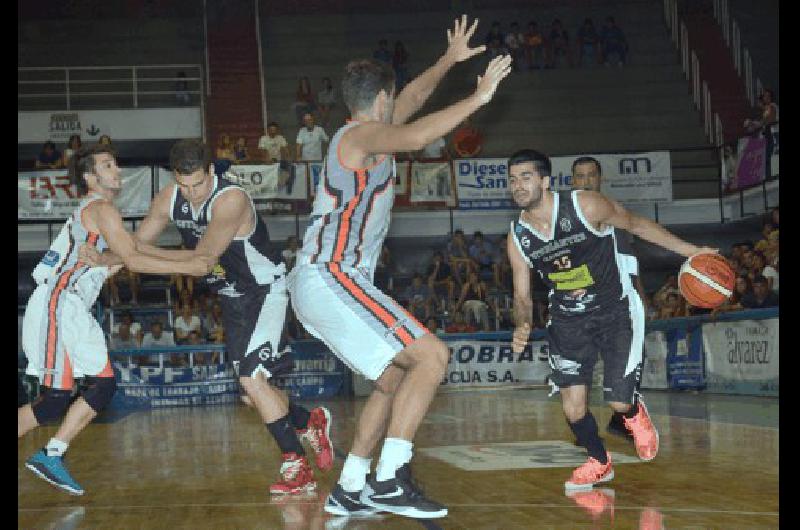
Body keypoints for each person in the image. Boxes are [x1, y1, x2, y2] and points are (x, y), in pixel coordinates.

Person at [287, 15, 509, 519]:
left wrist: (448, 61)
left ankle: (349, 486)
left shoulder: (372, 129)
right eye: (394, 99)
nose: (400, 104)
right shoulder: (358, 138)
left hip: (332, 280)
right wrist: (476, 99)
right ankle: (389, 478)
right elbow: (412, 138)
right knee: (432, 357)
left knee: (392, 380)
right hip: (330, 274)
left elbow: (411, 101)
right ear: (380, 100)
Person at [81, 139, 334, 495]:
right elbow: (135, 241)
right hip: (232, 299)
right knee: (253, 394)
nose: (192, 193)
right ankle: (309, 421)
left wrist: (133, 255)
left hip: (264, 291)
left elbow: (201, 262)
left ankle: (296, 464)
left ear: (211, 172)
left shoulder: (230, 200)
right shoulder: (169, 197)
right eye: (184, 185)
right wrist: (109, 259)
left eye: (198, 184)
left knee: (252, 380)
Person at [507, 148, 716, 489]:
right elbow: (521, 294)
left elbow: (637, 224)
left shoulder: (585, 205)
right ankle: (600, 461)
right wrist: (522, 323)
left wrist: (691, 252)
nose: (518, 185)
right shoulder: (517, 237)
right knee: (573, 410)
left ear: (545, 181)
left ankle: (633, 413)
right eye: (513, 180)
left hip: (614, 309)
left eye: (526, 177)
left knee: (618, 401)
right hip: (567, 321)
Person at [19, 144, 212, 496]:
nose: (117, 169)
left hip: (71, 308)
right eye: (108, 165)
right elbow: (132, 259)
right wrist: (191, 264)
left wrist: (191, 257)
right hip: (58, 304)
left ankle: (52, 453)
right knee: (60, 398)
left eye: (115, 163)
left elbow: (127, 253)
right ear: (92, 178)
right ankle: (51, 453)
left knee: (91, 389)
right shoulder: (101, 208)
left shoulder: (102, 214)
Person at [572, 156, 647, 440]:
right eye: (580, 176)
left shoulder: (618, 215)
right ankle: (584, 430)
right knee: (580, 372)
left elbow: (631, 263)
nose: (587, 180)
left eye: (591, 175)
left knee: (632, 360)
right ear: (572, 181)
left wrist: (641, 300)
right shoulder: (569, 221)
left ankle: (620, 419)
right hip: (584, 307)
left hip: (621, 304)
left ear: (600, 179)